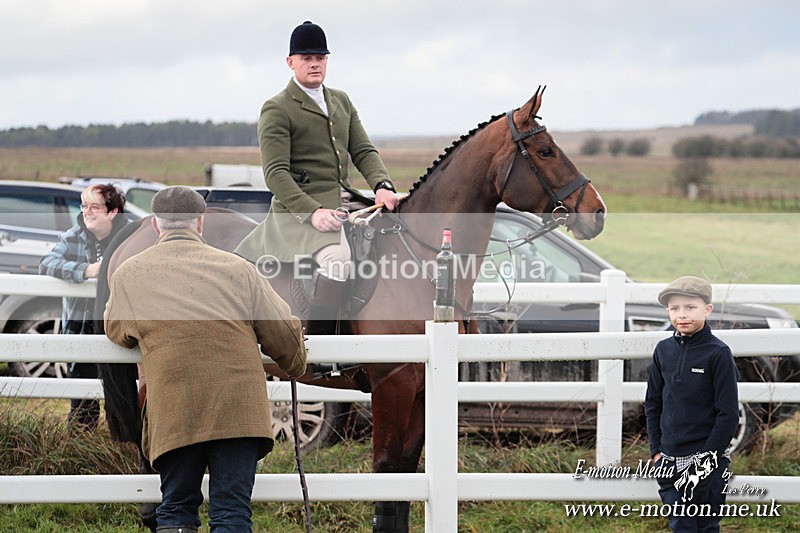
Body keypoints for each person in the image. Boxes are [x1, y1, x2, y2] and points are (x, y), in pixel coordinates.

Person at [104, 186, 307, 533]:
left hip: (174, 410)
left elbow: (118, 332)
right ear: (200, 223)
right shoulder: (240, 269)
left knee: (177, 509)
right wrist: (296, 364)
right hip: (239, 412)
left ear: (156, 225)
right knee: (231, 513)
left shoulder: (129, 274)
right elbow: (285, 336)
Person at [235, 20, 400, 336]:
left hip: (346, 201)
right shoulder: (277, 108)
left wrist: (382, 186)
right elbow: (275, 173)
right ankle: (322, 346)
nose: (314, 64)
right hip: (298, 212)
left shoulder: (341, 100)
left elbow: (363, 150)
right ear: (290, 62)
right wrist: (312, 211)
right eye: (306, 58)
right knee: (338, 259)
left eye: (320, 58)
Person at [644, 276, 740, 532]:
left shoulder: (718, 354)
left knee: (706, 526)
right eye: (674, 308)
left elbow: (728, 414)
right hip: (668, 459)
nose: (682, 315)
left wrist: (707, 459)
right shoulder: (663, 350)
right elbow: (653, 403)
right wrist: (656, 451)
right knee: (681, 525)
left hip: (707, 461)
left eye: (690, 307)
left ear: (707, 310)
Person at [39, 183, 130, 432]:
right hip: (81, 330)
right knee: (82, 409)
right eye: (84, 205)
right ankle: (81, 451)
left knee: (123, 403)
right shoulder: (72, 236)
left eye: (95, 207)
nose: (87, 212)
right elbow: (46, 264)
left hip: (119, 333)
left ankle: (123, 455)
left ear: (113, 212)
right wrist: (85, 271)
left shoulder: (129, 237)